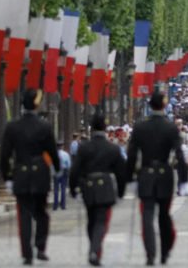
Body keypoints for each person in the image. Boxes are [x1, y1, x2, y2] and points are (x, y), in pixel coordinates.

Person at [0, 88, 60, 265]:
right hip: (40, 173)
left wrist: (7, 177)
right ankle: (40, 247)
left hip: (21, 173)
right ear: (37, 104)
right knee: (41, 213)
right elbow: (52, 151)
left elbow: (5, 155)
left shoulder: (13, 127)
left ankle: (27, 253)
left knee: (24, 215)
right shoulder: (44, 126)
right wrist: (57, 169)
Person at [126, 91, 184, 266]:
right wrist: (184, 179)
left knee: (147, 216)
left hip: (146, 174)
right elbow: (179, 154)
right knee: (164, 216)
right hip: (165, 174)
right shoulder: (171, 127)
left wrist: (128, 176)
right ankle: (164, 252)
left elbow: (131, 154)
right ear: (164, 105)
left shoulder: (140, 127)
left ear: (150, 106)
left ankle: (150, 254)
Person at [70, 114, 127, 266]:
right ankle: (95, 251)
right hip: (105, 186)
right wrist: (121, 192)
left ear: (92, 128)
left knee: (91, 220)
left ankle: (93, 248)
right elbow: (121, 173)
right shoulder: (112, 148)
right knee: (101, 221)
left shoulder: (84, 148)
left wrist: (73, 189)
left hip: (88, 186)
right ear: (105, 128)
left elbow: (75, 170)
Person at [53, 142, 71, 211]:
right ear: (62, 146)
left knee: (56, 189)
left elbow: (49, 163)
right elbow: (69, 164)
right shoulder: (66, 154)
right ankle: (63, 205)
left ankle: (55, 205)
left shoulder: (53, 154)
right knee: (63, 188)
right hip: (64, 170)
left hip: (56, 171)